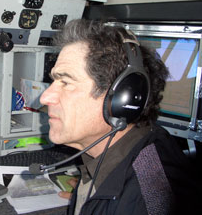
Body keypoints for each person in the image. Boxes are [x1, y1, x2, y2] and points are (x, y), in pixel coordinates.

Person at [39, 19, 200, 215]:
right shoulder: (114, 156)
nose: (45, 97)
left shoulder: (149, 201)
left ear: (122, 98)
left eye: (65, 82)